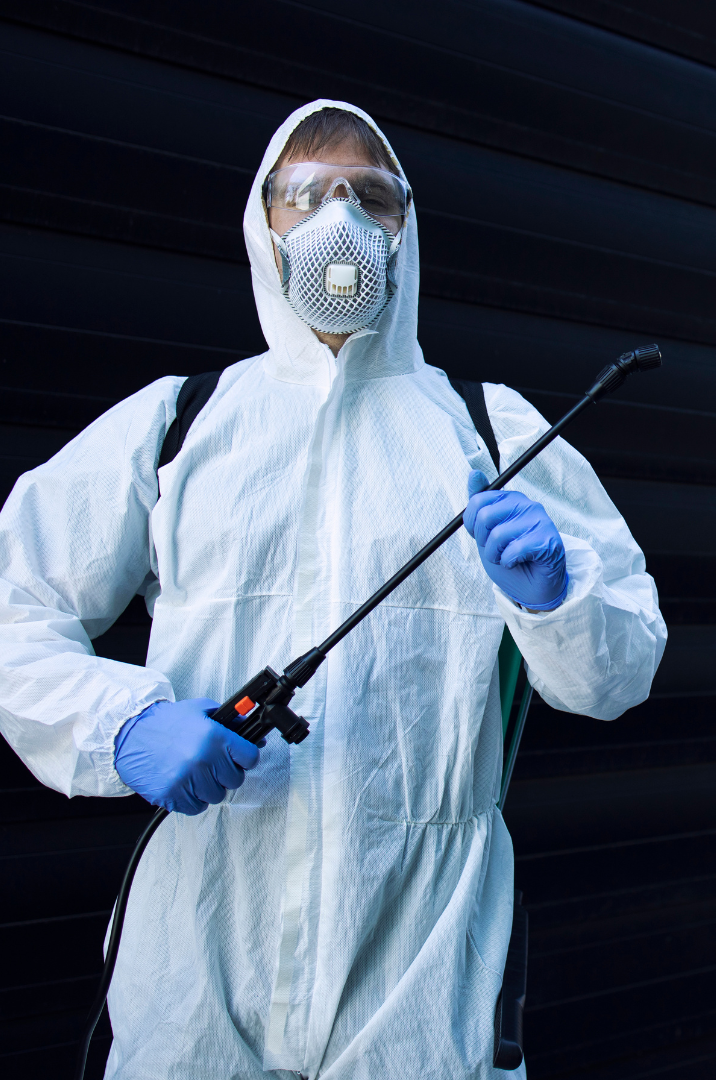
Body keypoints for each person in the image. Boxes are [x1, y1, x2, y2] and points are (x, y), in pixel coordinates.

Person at [0, 99, 666, 1078]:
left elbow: (622, 668)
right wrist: (120, 725)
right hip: (198, 975)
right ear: (261, 225)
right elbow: (13, 598)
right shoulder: (181, 427)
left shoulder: (488, 432)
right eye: (303, 194)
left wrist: (557, 596)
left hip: (421, 982)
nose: (338, 217)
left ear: (408, 230)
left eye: (373, 196)